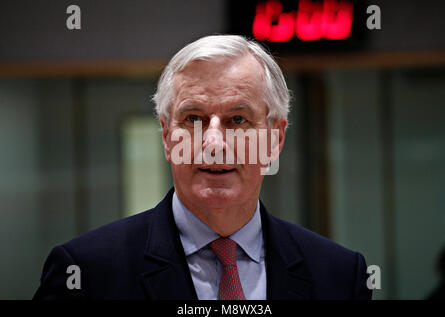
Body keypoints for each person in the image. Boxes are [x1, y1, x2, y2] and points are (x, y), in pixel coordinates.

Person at [33, 35, 372, 300]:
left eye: (237, 119)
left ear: (275, 139)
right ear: (167, 138)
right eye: (193, 118)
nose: (213, 144)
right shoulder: (85, 272)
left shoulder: (340, 276)